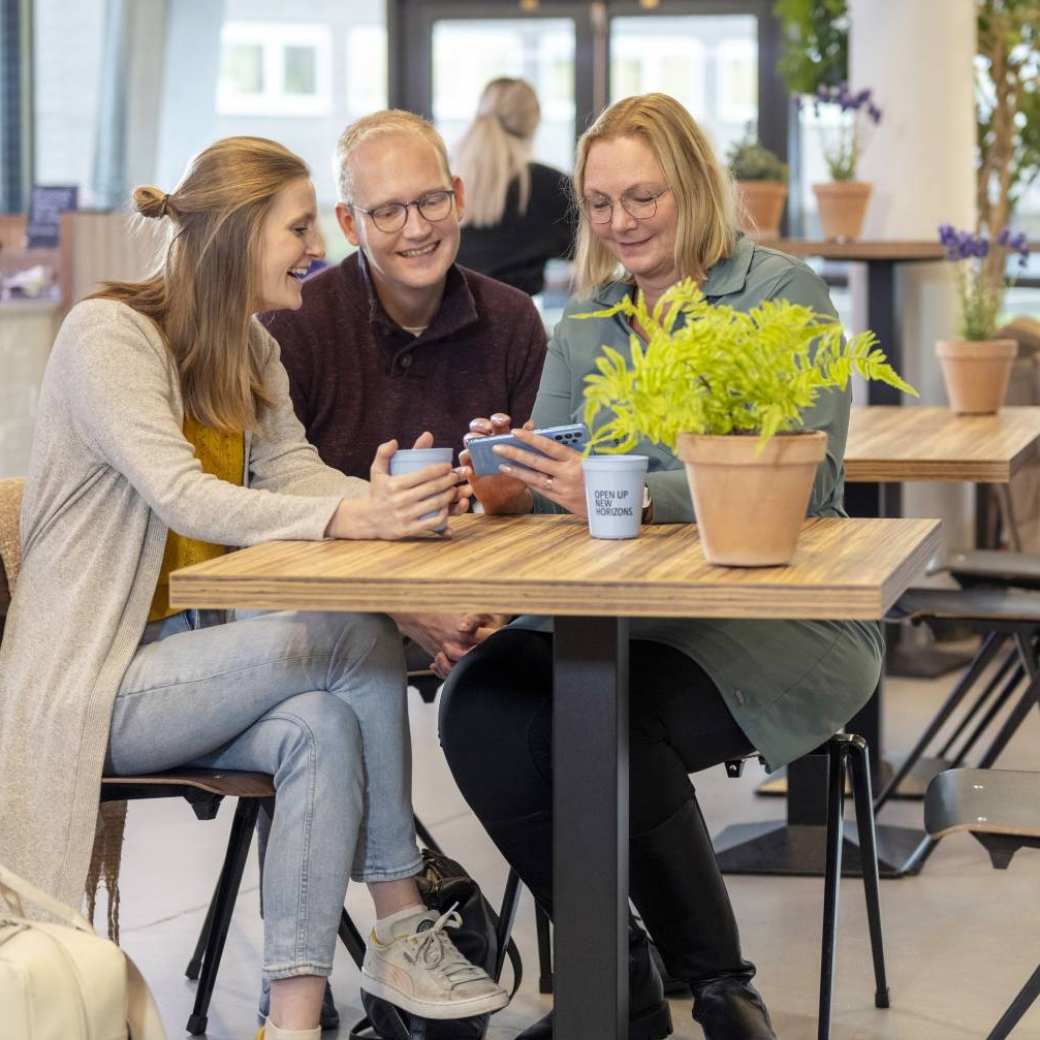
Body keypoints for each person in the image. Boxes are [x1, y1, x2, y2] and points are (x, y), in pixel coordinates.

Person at [0, 136, 509, 1040]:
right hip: (90, 678)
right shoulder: (108, 335)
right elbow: (179, 490)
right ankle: (399, 912)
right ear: (238, 235)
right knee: (354, 634)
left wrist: (393, 501)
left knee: (316, 727)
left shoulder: (247, 350)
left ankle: (294, 1021)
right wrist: (356, 519)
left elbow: (295, 474)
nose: (317, 247)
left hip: (188, 662)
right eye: (300, 225)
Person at [439, 94, 884, 1040]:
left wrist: (634, 491)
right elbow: (561, 474)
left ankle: (721, 986)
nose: (621, 222)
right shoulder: (588, 317)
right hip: (618, 610)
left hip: (775, 615)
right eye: (600, 204)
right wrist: (514, 478)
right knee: (480, 705)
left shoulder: (779, 294)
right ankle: (621, 991)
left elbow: (806, 481)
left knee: (606, 716)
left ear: (694, 188)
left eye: (644, 196)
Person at [262, 109, 546, 676]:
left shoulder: (514, 319)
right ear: (348, 223)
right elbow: (276, 511)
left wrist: (510, 500)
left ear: (459, 197)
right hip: (340, 607)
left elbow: (545, 508)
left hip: (496, 598)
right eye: (388, 211)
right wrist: (406, 605)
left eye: (431, 201)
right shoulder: (294, 325)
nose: (417, 229)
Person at [453, 77, 575, 296]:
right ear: (534, 122)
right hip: (518, 322)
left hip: (449, 317)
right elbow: (593, 252)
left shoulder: (447, 179)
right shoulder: (552, 186)